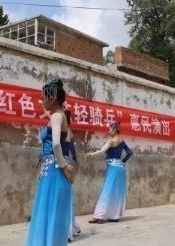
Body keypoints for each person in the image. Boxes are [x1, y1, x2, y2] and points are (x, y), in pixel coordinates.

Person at [25, 79, 74, 246]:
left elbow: (56, 143)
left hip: (54, 172)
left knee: (47, 213)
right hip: (53, 171)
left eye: (43, 98)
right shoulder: (62, 116)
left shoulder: (56, 116)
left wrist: (63, 165)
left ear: (52, 98)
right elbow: (65, 142)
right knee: (52, 216)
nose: (42, 101)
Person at [85, 121, 133, 223]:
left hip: (113, 168)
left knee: (106, 192)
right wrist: (122, 161)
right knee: (116, 192)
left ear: (115, 130)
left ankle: (98, 216)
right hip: (120, 168)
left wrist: (91, 154)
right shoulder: (122, 141)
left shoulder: (111, 141)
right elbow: (130, 153)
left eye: (110, 129)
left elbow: (101, 151)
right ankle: (114, 216)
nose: (108, 131)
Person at [62, 109, 81, 241]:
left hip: (62, 164)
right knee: (66, 197)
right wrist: (74, 161)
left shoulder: (63, 131)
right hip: (67, 162)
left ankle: (67, 230)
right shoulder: (70, 132)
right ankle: (72, 227)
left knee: (63, 198)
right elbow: (73, 153)